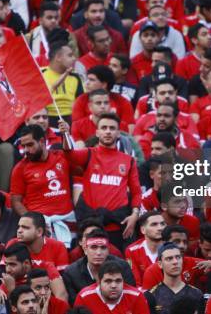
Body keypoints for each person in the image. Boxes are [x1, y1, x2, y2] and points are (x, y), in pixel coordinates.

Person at [61, 113, 141, 250]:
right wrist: (66, 135)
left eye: (112, 128)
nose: (108, 131)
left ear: (118, 133)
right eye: (104, 128)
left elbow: (136, 192)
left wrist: (134, 215)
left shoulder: (128, 160)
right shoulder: (88, 154)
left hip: (117, 226)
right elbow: (69, 154)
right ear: (97, 132)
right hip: (92, 226)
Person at [62, 229, 135, 304]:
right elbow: (75, 305)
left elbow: (130, 297)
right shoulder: (71, 273)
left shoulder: (122, 267)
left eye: (103, 248)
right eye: (94, 247)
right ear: (85, 249)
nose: (99, 253)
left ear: (108, 250)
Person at [143, 243, 204, 314]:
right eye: (169, 259)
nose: (175, 262)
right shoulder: (151, 295)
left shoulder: (196, 294)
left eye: (178, 257)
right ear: (160, 264)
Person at [73, 261, 150, 313]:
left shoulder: (137, 296)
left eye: (118, 281)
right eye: (108, 281)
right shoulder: (84, 297)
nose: (113, 286)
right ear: (99, 282)